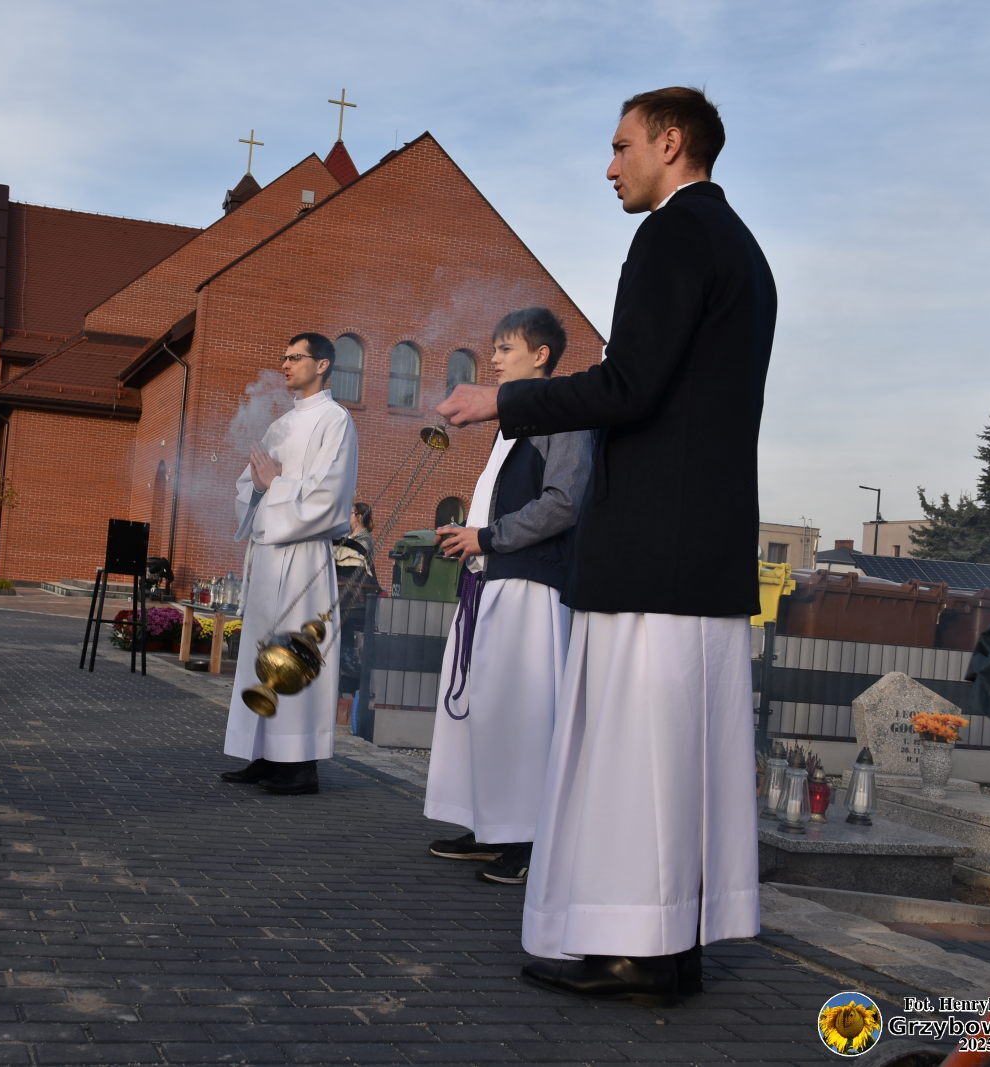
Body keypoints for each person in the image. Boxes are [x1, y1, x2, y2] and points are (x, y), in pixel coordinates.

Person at [438, 87, 775, 1005]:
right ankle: (672, 945)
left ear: (671, 143)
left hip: (652, 554)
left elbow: (629, 386)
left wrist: (505, 400)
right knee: (681, 760)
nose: (610, 166)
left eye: (622, 146)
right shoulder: (742, 247)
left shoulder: (672, 234)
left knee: (635, 759)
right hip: (701, 551)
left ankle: (639, 952)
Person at [424, 307, 592, 887]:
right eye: (493, 349)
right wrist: (471, 539)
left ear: (540, 356)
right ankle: (489, 824)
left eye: (504, 349)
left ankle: (528, 839)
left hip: (530, 586)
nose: (492, 359)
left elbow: (564, 502)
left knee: (523, 714)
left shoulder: (564, 415)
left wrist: (489, 537)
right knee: (485, 710)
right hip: (491, 578)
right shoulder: (511, 422)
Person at [219, 333, 358, 795]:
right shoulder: (279, 426)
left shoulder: (336, 421)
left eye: (296, 357)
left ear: (322, 365)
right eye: (284, 357)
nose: (286, 364)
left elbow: (330, 495)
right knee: (260, 653)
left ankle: (299, 766)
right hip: (267, 555)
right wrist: (262, 488)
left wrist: (276, 486)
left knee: (297, 653)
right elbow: (249, 485)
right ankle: (262, 753)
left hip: (303, 555)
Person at [332, 501, 377, 697]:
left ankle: (347, 694)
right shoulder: (350, 538)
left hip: (353, 604)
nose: (346, 516)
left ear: (359, 517)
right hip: (345, 602)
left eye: (350, 513)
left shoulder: (363, 540)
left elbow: (348, 567)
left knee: (348, 649)